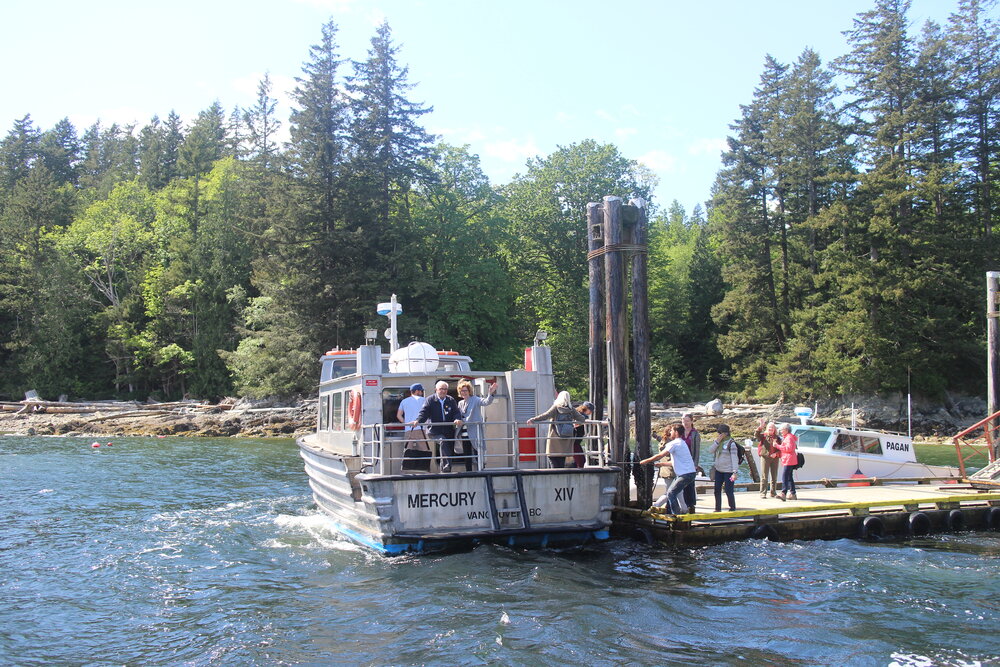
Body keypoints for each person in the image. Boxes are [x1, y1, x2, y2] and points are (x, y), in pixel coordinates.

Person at [641, 423, 696, 514]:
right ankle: (682, 510)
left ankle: (676, 515)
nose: (670, 432)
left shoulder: (674, 443)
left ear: (676, 432)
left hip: (685, 475)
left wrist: (645, 461)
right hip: (689, 473)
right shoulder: (682, 443)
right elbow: (675, 461)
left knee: (671, 493)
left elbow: (660, 455)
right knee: (674, 492)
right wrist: (662, 464)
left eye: (672, 430)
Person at [412, 381, 464, 473]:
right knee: (443, 441)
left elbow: (456, 412)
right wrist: (418, 421)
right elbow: (424, 412)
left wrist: (457, 419)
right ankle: (446, 467)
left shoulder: (450, 400)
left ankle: (445, 469)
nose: (443, 391)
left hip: (448, 430)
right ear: (436, 390)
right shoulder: (430, 400)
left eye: (445, 389)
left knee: (448, 446)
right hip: (434, 430)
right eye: (441, 389)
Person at [527, 391, 586, 468]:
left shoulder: (556, 407)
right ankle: (561, 478)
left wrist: (533, 420)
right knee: (561, 462)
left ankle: (555, 477)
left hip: (554, 439)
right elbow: (582, 419)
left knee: (552, 460)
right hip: (565, 441)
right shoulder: (571, 409)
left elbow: (546, 415)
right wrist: (574, 425)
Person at [457, 379, 497, 471]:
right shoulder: (460, 403)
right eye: (462, 391)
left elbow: (486, 402)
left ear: (469, 391)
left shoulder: (475, 399)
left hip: (474, 431)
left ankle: (480, 470)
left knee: (477, 452)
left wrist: (490, 393)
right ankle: (468, 472)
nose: (464, 392)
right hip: (464, 432)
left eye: (465, 390)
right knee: (467, 454)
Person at [397, 383, 431, 472]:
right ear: (417, 391)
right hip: (422, 429)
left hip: (409, 430)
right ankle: (423, 470)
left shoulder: (404, 401)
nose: (421, 392)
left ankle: (407, 471)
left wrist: (406, 423)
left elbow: (399, 415)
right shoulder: (425, 400)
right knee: (424, 450)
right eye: (421, 391)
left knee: (408, 451)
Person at [709, 424, 739, 512]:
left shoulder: (731, 444)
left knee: (728, 490)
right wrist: (717, 442)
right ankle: (717, 508)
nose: (718, 435)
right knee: (717, 490)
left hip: (729, 471)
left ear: (725, 434)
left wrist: (735, 472)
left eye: (720, 433)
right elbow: (710, 450)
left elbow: (734, 458)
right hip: (719, 470)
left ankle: (732, 508)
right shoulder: (718, 442)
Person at [753, 419, 781, 498]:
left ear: (774, 429)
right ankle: (763, 493)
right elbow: (756, 435)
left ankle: (773, 492)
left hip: (775, 458)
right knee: (764, 476)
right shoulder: (763, 436)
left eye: (772, 428)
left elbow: (780, 449)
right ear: (767, 429)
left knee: (774, 476)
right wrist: (760, 426)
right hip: (765, 457)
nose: (770, 429)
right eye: (769, 428)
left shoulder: (778, 438)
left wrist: (776, 454)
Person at [681, 413, 702, 512]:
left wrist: (695, 464)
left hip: (691, 461)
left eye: (687, 421)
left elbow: (697, 451)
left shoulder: (695, 434)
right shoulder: (680, 432)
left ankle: (691, 504)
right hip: (681, 462)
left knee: (690, 483)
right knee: (681, 483)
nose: (685, 423)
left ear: (692, 421)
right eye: (683, 421)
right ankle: (684, 504)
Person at [774, 423, 799, 501]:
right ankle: (793, 493)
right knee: (789, 477)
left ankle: (783, 493)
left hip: (789, 459)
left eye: (782, 430)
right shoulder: (789, 437)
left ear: (786, 430)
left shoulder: (789, 438)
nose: (780, 431)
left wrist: (777, 446)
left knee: (785, 476)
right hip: (789, 459)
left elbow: (789, 448)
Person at [572, 401, 595, 469]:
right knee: (581, 460)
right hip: (575, 441)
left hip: (576, 441)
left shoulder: (578, 414)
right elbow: (576, 424)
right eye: (590, 410)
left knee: (579, 459)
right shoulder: (581, 415)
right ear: (586, 409)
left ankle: (576, 471)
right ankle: (578, 473)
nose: (591, 413)